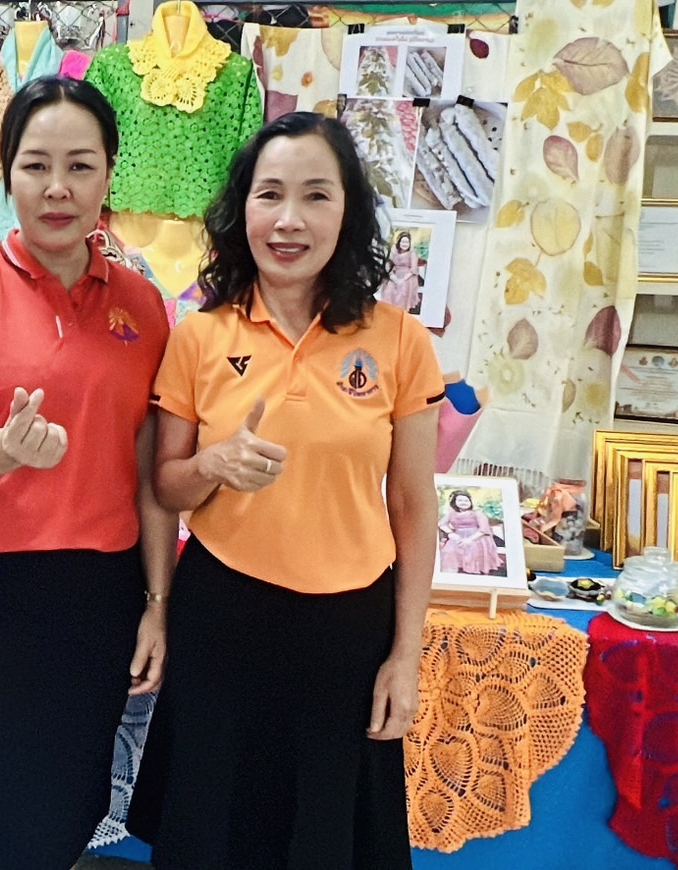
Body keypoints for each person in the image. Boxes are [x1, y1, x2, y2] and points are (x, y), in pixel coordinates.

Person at [127, 111, 444, 870]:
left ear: (348, 211)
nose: (289, 220)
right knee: (210, 837)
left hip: (348, 632)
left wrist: (405, 656)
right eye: (269, 194)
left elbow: (412, 504)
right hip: (222, 620)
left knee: (324, 841)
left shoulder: (400, 340)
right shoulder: (200, 336)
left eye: (316, 195)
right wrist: (214, 465)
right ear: (242, 210)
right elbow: (165, 486)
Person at [0, 76, 174, 870]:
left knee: (75, 803)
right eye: (36, 165)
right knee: (0, 809)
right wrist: (4, 450)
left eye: (80, 166)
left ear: (109, 172)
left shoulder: (142, 305)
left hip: (100, 592)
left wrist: (157, 604)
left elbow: (150, 472)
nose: (57, 188)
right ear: (6, 172)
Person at [439, 489, 503, 576]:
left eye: (466, 501)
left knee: (472, 550)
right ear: (455, 502)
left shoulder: (477, 513)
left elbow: (483, 529)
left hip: (476, 537)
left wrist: (470, 539)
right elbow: (441, 524)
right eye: (460, 500)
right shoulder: (451, 514)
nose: (463, 502)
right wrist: (450, 533)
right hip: (459, 536)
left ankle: (474, 572)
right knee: (449, 550)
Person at [378, 230, 419, 312]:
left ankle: (400, 311)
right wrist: (394, 278)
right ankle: (388, 310)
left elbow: (413, 270)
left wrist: (402, 280)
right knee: (388, 290)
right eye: (403, 242)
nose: (405, 244)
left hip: (407, 277)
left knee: (402, 290)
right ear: (399, 242)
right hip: (394, 276)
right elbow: (388, 266)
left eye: (407, 242)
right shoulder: (394, 252)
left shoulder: (412, 253)